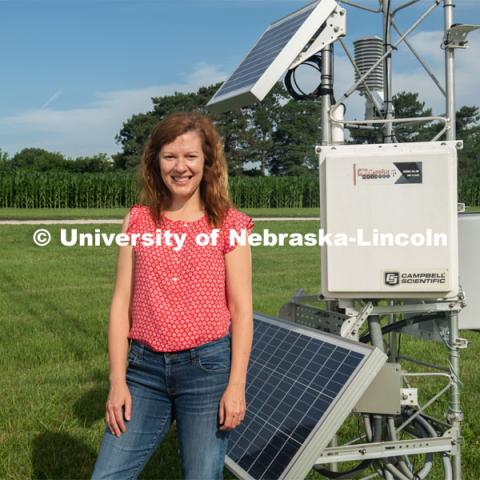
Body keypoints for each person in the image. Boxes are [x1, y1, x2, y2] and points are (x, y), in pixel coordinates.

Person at [91, 112, 254, 480]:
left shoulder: (230, 224)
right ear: (156, 162)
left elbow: (242, 311)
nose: (181, 167)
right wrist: (118, 380)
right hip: (144, 371)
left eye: (191, 157)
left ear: (207, 162)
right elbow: (121, 303)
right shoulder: (137, 220)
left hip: (207, 371)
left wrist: (236, 386)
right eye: (170, 156)